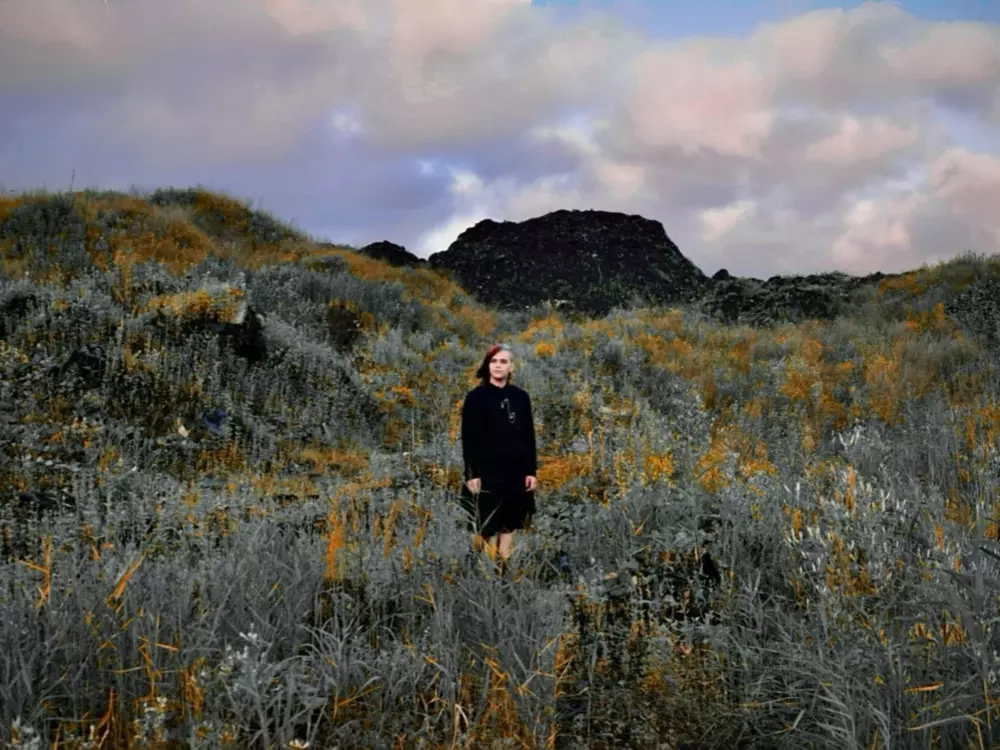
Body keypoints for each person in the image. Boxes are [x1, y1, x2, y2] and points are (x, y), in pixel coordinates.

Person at [460, 343, 538, 573]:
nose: (498, 366)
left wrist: (531, 471)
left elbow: (528, 436)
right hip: (486, 470)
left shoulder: (520, 397)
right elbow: (468, 439)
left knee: (509, 522)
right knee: (485, 524)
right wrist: (472, 474)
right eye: (493, 361)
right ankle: (481, 572)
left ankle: (502, 571)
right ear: (487, 365)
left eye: (503, 361)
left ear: (511, 366)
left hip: (515, 469)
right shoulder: (475, 398)